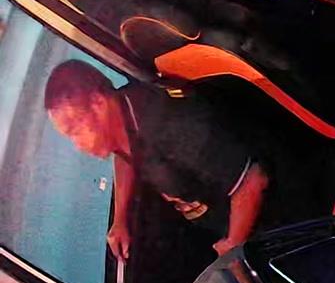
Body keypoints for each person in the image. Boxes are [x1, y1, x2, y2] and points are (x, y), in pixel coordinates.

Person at [43, 60, 315, 259]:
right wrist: (120, 218)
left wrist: (232, 246)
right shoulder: (124, 114)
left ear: (98, 103)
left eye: (75, 130)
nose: (77, 145)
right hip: (228, 221)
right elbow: (123, 153)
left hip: (282, 219)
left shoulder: (173, 126)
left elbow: (253, 180)